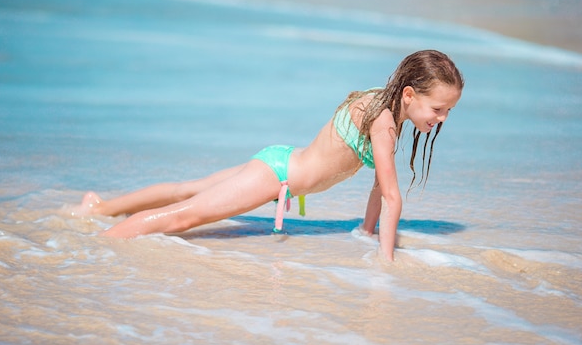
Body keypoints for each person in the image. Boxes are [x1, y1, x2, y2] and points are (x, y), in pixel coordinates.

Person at [74, 49, 464, 261]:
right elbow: (393, 195)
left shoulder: (385, 110)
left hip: (278, 159)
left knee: (185, 191)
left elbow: (380, 188)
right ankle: (95, 243)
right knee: (185, 215)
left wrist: (366, 231)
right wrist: (386, 263)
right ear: (410, 94)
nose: (442, 119)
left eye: (449, 111)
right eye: (438, 109)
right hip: (276, 175)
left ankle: (97, 208)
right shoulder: (382, 122)